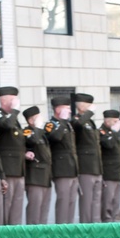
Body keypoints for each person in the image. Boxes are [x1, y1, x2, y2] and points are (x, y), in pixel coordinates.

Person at [0, 86, 26, 225]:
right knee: (6, 204)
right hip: (8, 168)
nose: (16, 102)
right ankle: (5, 232)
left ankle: (15, 231)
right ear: (4, 100)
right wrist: (16, 110)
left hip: (19, 168)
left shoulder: (13, 117)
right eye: (13, 99)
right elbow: (6, 126)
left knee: (17, 205)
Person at [46, 95, 79, 223]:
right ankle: (60, 229)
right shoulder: (51, 124)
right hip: (61, 168)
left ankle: (69, 229)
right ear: (58, 109)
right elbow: (55, 138)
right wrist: (63, 121)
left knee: (71, 202)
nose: (70, 111)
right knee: (63, 201)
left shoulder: (67, 124)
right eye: (67, 108)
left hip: (72, 168)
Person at [72, 92, 103, 223]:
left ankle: (95, 226)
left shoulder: (89, 122)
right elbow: (78, 125)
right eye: (89, 106)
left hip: (95, 166)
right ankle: (85, 227)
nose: (92, 108)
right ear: (82, 107)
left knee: (96, 201)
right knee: (86, 201)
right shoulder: (76, 120)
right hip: (85, 167)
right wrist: (89, 112)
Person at [22, 106, 52, 224]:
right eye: (38, 118)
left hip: (45, 177)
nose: (41, 120)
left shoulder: (41, 133)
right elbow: (31, 141)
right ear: (30, 121)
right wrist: (38, 128)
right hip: (35, 177)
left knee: (44, 212)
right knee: (34, 212)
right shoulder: (27, 131)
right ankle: (32, 237)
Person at [100, 110, 120, 222]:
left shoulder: (112, 132)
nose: (117, 124)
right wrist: (114, 132)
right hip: (108, 171)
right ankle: (107, 222)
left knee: (116, 201)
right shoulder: (102, 132)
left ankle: (113, 220)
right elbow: (108, 144)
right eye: (115, 121)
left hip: (117, 171)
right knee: (107, 201)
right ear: (107, 121)